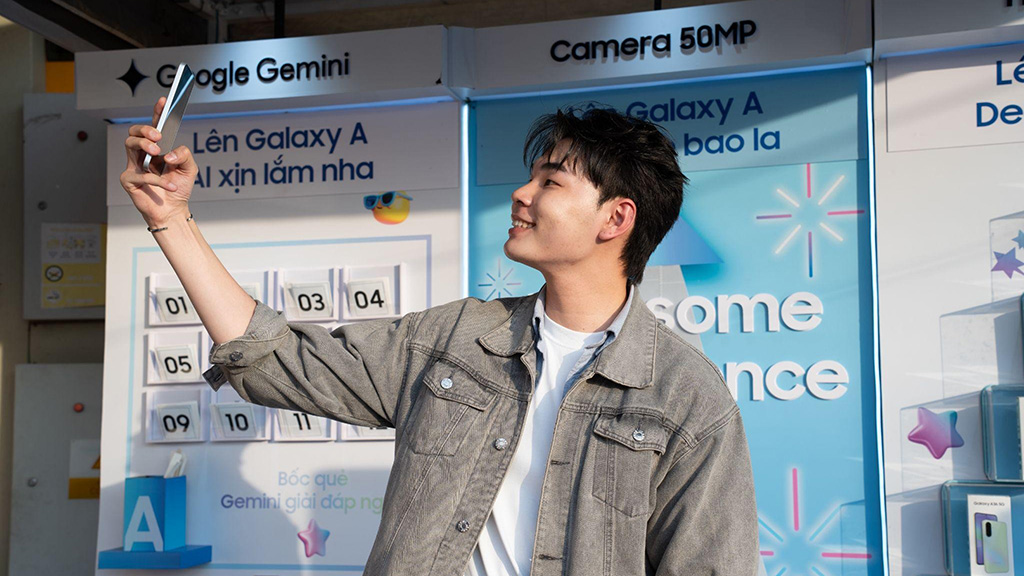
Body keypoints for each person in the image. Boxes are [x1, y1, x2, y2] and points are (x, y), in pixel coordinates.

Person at [121, 97, 760, 575]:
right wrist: (170, 219)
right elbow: (277, 360)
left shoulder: (687, 398)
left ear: (615, 219)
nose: (521, 194)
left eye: (550, 181)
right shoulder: (457, 337)